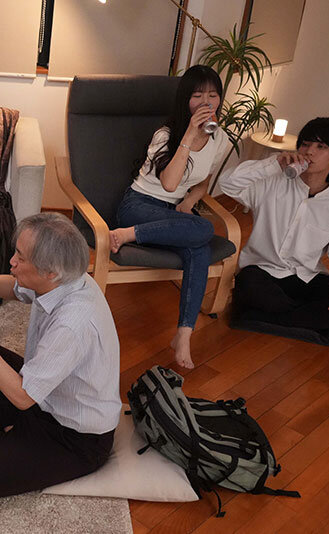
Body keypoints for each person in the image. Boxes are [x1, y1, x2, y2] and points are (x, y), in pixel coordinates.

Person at [0, 213, 121, 500]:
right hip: (47, 397)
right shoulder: (65, 277)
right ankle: (17, 432)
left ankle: (18, 435)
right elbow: (16, 289)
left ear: (49, 272)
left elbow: (23, 397)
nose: (12, 262)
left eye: (20, 257)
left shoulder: (72, 324)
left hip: (75, 436)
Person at [108, 65, 231, 369]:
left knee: (199, 245)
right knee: (203, 230)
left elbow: (203, 180)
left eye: (213, 95)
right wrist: (189, 134)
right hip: (138, 206)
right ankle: (128, 233)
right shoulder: (166, 135)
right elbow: (169, 184)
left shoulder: (219, 138)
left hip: (172, 214)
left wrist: (191, 200)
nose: (206, 102)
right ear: (185, 99)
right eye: (197, 95)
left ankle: (183, 334)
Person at [221, 117, 329, 339]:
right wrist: (273, 164)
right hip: (262, 272)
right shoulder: (272, 182)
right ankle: (309, 320)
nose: (309, 152)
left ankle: (261, 317)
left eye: (321, 147)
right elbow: (227, 183)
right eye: (305, 144)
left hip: (307, 276)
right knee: (249, 285)